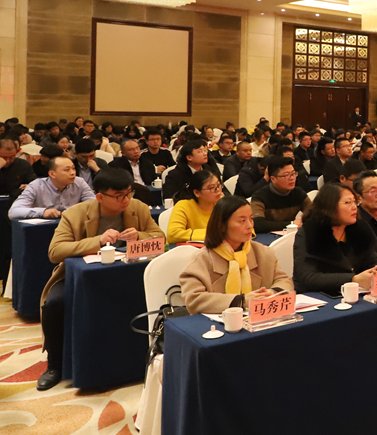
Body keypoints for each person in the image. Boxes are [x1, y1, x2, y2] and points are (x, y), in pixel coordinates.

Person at [37, 168, 164, 390]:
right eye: (119, 196)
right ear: (100, 197)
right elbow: (55, 251)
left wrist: (139, 236)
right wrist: (98, 241)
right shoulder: (75, 214)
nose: (126, 200)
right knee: (55, 304)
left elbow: (160, 238)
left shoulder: (138, 208)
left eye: (129, 193)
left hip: (128, 276)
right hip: (80, 278)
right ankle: (54, 365)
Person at [179, 196, 293, 314]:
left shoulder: (263, 253)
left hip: (260, 319)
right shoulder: (201, 260)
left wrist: (272, 293)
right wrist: (240, 301)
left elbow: (284, 280)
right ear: (222, 225)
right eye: (242, 221)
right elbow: (193, 299)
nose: (249, 225)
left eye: (251, 219)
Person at [293, 184, 377, 294]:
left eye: (355, 202)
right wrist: (353, 279)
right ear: (329, 206)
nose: (354, 207)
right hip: (319, 296)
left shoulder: (359, 228)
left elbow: (373, 261)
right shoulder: (310, 232)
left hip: (353, 294)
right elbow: (309, 277)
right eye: (348, 202)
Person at [9, 156, 95, 219]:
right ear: (52, 174)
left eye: (73, 168)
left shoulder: (79, 182)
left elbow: (95, 205)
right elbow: (13, 211)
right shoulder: (36, 185)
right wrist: (43, 212)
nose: (72, 173)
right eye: (67, 170)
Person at [250, 156, 311, 233]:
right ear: (273, 179)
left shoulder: (298, 193)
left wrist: (303, 218)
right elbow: (258, 224)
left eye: (293, 174)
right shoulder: (260, 196)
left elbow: (313, 212)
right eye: (286, 175)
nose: (292, 178)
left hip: (290, 234)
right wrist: (291, 224)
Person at [167, 169, 223, 244]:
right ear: (197, 192)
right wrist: (212, 234)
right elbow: (173, 235)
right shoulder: (184, 206)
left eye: (218, 185)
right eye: (212, 188)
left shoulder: (222, 203)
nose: (218, 190)